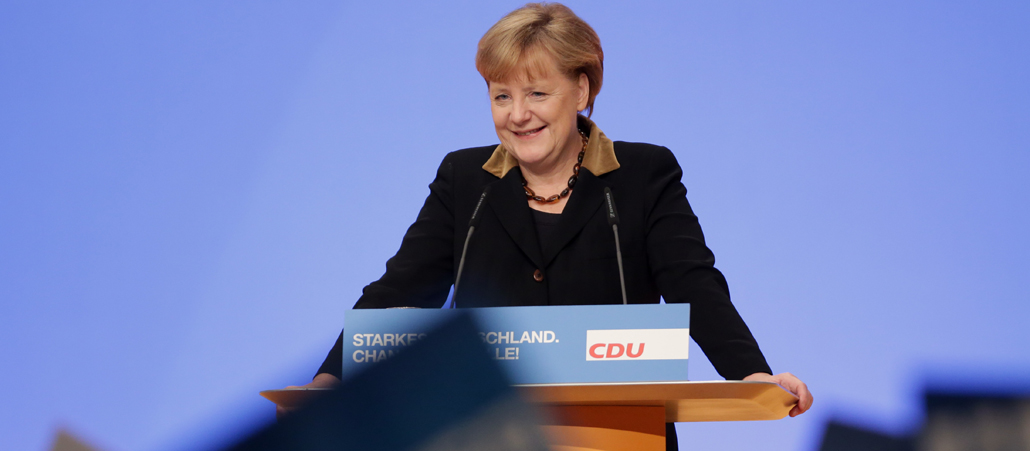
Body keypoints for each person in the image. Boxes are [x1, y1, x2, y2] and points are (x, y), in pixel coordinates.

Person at [282, 2, 812, 448]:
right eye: (501, 95)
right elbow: (400, 290)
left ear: (581, 91)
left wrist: (752, 374)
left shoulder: (643, 174)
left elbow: (693, 285)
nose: (517, 115)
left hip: (619, 436)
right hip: (489, 434)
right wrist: (330, 379)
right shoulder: (464, 179)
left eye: (536, 93)